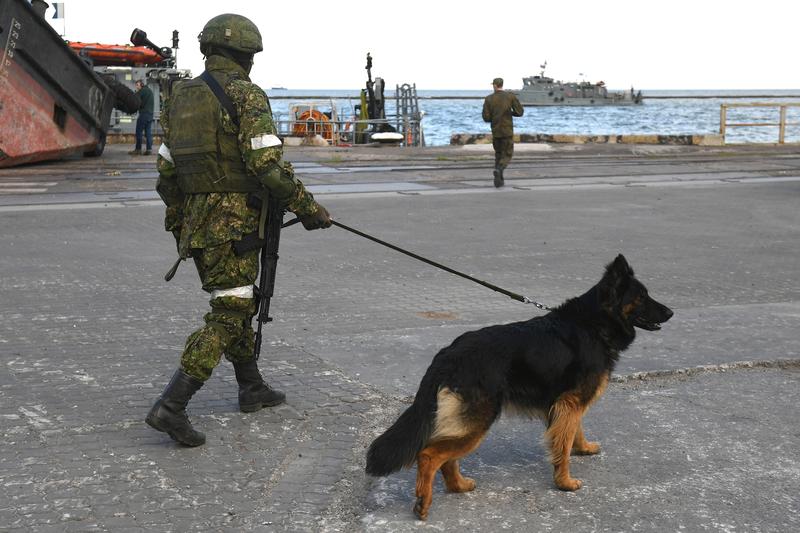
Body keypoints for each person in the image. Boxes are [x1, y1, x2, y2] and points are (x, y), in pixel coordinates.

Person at [145, 13, 332, 447]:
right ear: (248, 55)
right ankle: (171, 406)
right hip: (238, 224)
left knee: (237, 301)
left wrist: (182, 224)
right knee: (229, 313)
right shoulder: (246, 94)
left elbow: (165, 174)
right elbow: (267, 165)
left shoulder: (180, 98)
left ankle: (251, 387)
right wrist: (309, 208)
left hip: (197, 224)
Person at [482, 77, 524, 187]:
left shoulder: (488, 99)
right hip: (507, 130)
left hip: (496, 130)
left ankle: (499, 181)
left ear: (495, 85)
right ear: (502, 85)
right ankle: (499, 169)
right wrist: (510, 113)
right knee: (508, 154)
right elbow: (520, 112)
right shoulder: (510, 97)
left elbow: (486, 118)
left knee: (499, 154)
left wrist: (494, 117)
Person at [129, 80, 154, 155]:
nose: (136, 87)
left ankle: (138, 149)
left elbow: (135, 98)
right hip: (150, 115)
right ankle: (149, 150)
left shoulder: (142, 91)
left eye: (137, 85)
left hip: (143, 114)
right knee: (148, 133)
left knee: (139, 132)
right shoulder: (149, 91)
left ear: (141, 85)